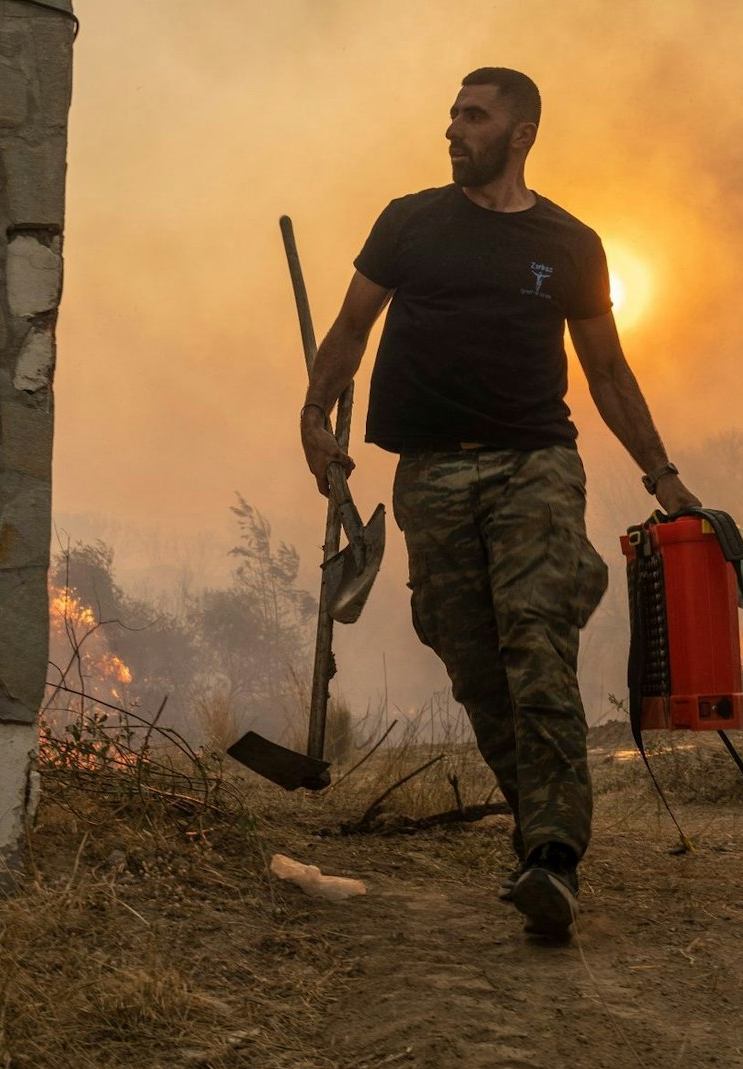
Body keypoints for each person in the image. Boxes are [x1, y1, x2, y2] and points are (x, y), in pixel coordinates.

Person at [298, 67, 701, 940]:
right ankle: (538, 830)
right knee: (469, 654)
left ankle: (555, 857)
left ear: (520, 135)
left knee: (537, 644)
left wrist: (661, 473)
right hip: (429, 472)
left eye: (473, 117)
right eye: (450, 112)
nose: (452, 129)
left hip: (534, 468)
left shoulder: (570, 242)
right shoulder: (409, 221)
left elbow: (606, 371)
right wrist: (313, 413)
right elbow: (350, 328)